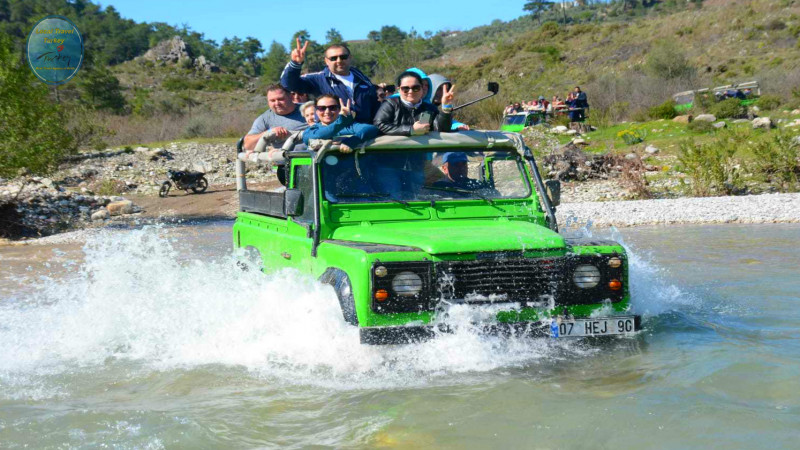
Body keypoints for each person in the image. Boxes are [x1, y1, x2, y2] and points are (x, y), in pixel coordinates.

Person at [281, 40, 378, 124]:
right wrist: (295, 64)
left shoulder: (362, 79)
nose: (339, 61)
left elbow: (374, 104)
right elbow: (288, 85)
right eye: (333, 58)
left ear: (350, 58)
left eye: (343, 57)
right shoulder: (318, 79)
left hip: (367, 132)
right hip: (335, 136)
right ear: (326, 61)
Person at [372, 70, 453, 136]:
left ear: (422, 89)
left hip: (422, 153)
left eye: (416, 88)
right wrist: (411, 129)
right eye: (405, 89)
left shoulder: (430, 108)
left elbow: (442, 130)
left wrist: (446, 107)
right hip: (395, 153)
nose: (410, 92)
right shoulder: (390, 104)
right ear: (399, 90)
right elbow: (379, 125)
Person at [303, 95, 378, 153]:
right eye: (322, 108)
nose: (327, 111)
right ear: (317, 112)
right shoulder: (312, 130)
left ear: (339, 110)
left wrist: (353, 140)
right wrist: (341, 122)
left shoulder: (349, 126)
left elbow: (371, 129)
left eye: (332, 107)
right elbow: (314, 137)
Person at [244, 84, 307, 151]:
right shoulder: (265, 118)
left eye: (280, 99)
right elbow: (248, 145)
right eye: (272, 101)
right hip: (284, 159)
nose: (277, 103)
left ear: (291, 97)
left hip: (312, 158)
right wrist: (269, 132)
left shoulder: (308, 109)